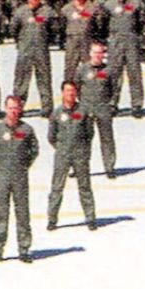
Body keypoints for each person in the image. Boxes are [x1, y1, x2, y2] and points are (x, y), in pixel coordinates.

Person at [0, 95, 39, 264]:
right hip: (2, 177)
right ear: (5, 108)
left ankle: (24, 248)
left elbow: (34, 151)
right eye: (10, 107)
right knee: (1, 213)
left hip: (20, 176)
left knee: (22, 213)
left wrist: (23, 166)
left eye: (16, 108)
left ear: (20, 109)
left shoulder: (27, 130)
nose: (13, 111)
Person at [46, 80, 97, 231]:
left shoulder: (83, 111)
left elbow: (90, 133)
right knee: (57, 187)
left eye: (73, 91)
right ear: (62, 93)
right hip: (62, 154)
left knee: (85, 186)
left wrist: (82, 148)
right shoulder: (56, 113)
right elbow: (51, 136)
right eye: (68, 91)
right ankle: (52, 219)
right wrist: (61, 148)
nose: (71, 94)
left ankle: (90, 218)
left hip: (80, 154)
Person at [11, 0, 56, 117]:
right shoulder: (20, 12)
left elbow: (53, 30)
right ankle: (18, 107)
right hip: (25, 50)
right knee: (21, 80)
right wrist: (21, 42)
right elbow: (14, 30)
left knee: (44, 79)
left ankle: (47, 108)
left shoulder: (48, 11)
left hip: (41, 50)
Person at [78, 39, 120, 178]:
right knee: (83, 140)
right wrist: (80, 105)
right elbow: (75, 87)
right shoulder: (82, 69)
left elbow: (115, 89)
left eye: (100, 53)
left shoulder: (108, 70)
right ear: (90, 53)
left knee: (107, 139)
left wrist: (112, 104)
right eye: (95, 52)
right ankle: (81, 168)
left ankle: (109, 167)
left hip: (103, 107)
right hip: (86, 108)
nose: (97, 55)